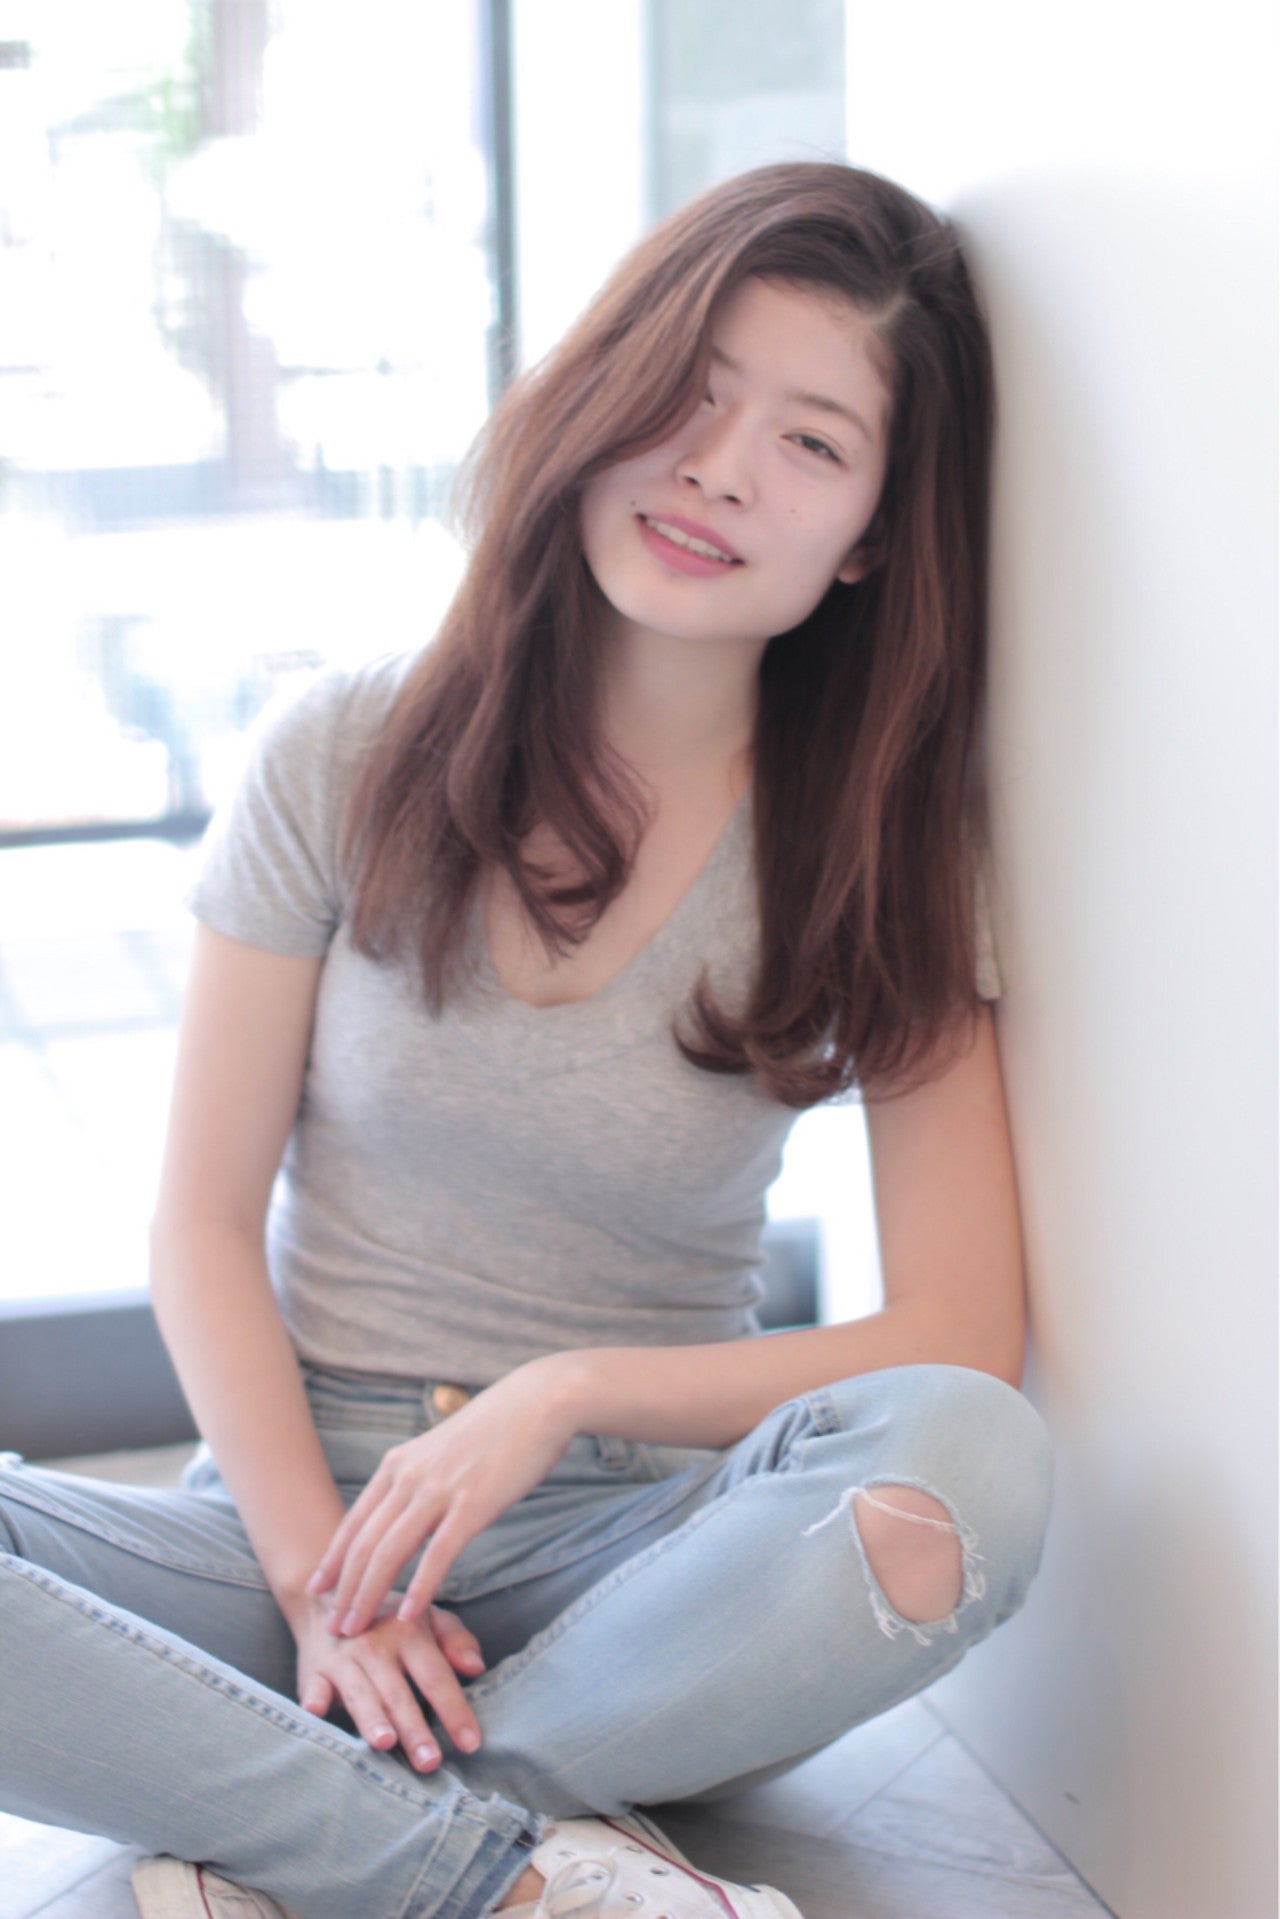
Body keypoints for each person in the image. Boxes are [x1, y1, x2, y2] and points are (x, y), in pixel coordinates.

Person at [0, 162, 1053, 1919]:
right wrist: (323, 1584)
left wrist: (557, 1395)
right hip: (301, 1523)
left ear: (871, 535)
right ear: (601, 392)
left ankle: (300, 1836)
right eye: (693, 390)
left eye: (811, 441)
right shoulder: (341, 753)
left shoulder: (881, 844)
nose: (720, 467)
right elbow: (199, 1226)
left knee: (972, 1464)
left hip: (642, 1562)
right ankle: (485, 1866)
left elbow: (960, 1336)